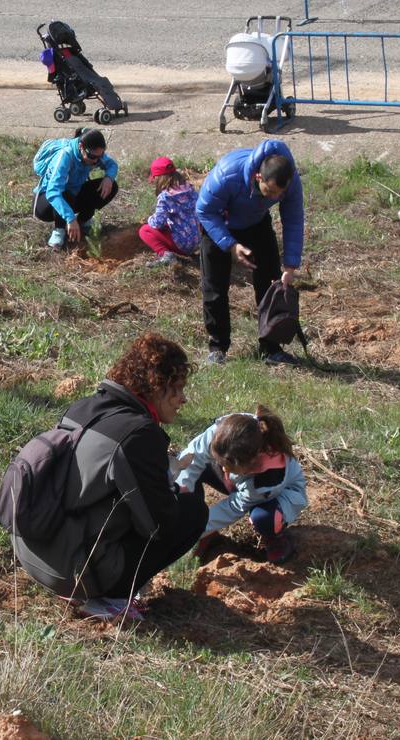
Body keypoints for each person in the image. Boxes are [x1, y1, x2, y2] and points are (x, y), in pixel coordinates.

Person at [11, 332, 207, 622]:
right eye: (176, 389)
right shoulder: (138, 435)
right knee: (193, 510)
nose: (183, 399)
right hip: (72, 574)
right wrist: (175, 495)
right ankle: (110, 598)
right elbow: (159, 527)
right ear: (155, 386)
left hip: (31, 552)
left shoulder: (83, 407)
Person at [195, 139, 304, 365]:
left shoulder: (290, 181)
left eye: (279, 194)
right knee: (214, 287)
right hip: (219, 222)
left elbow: (293, 220)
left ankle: (270, 348)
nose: (274, 197)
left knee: (271, 283)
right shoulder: (227, 174)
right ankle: (218, 347)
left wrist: (291, 266)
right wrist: (231, 245)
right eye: (270, 191)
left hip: (256, 222)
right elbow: (204, 210)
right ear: (258, 177)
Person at [172, 405, 308, 564]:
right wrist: (179, 493)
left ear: (251, 463)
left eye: (228, 466)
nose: (223, 469)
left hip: (278, 495)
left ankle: (275, 536)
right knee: (191, 472)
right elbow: (193, 456)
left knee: (264, 518)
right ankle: (202, 531)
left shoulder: (268, 480)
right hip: (239, 475)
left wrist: (193, 528)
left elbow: (232, 508)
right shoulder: (230, 431)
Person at [32, 129, 119, 249]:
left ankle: (82, 222)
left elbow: (112, 165)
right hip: (46, 201)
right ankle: (59, 231)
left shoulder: (95, 155)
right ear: (81, 147)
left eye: (100, 157)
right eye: (92, 156)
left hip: (73, 194)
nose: (95, 161)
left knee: (112, 186)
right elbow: (53, 192)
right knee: (65, 193)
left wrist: (109, 178)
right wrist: (70, 218)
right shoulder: (65, 155)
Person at [138, 156, 199, 267]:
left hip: (182, 246)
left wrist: (149, 218)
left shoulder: (166, 197)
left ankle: (166, 256)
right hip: (196, 242)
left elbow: (157, 223)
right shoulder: (190, 188)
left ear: (158, 178)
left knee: (144, 230)